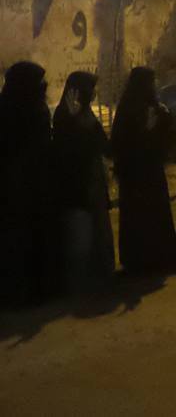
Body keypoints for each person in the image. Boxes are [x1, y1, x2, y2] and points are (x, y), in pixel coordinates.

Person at [52, 71, 114, 292]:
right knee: (81, 232)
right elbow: (66, 150)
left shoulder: (86, 114)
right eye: (90, 89)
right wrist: (73, 120)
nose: (93, 94)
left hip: (93, 179)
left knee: (97, 227)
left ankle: (99, 274)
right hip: (77, 182)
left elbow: (102, 144)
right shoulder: (63, 115)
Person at [112, 67, 176, 274]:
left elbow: (167, 135)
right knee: (140, 215)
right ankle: (141, 259)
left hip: (150, 170)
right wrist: (146, 129)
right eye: (151, 81)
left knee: (151, 214)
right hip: (136, 172)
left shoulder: (152, 106)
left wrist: (162, 119)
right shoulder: (129, 109)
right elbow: (121, 143)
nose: (154, 85)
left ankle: (155, 256)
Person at [0, 62, 52, 305]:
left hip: (31, 185)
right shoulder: (19, 111)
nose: (44, 86)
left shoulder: (32, 107)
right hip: (17, 187)